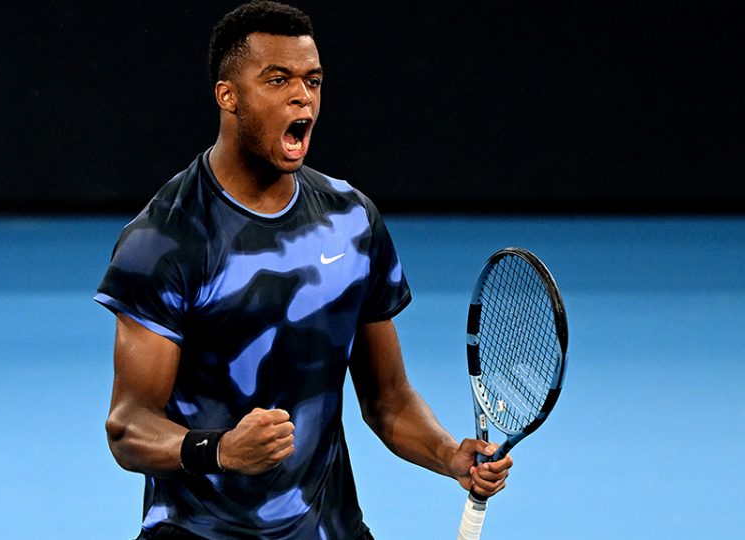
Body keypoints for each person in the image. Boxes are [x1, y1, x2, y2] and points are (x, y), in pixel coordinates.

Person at [95, 2, 513, 538]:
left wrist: (448, 455)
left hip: (327, 528)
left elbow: (388, 399)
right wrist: (220, 450)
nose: (302, 96)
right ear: (228, 95)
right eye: (277, 79)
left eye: (312, 81)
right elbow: (128, 427)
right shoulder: (165, 241)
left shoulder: (352, 220)